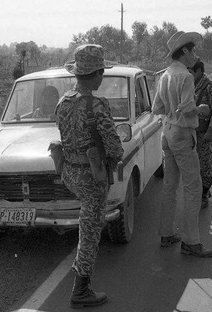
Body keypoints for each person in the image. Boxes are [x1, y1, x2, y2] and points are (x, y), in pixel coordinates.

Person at [55, 44, 124, 308]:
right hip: (91, 179)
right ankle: (81, 290)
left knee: (88, 225)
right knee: (90, 232)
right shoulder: (96, 105)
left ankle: (82, 285)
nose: (102, 78)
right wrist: (113, 158)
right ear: (96, 73)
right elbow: (115, 147)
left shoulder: (63, 102)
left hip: (70, 174)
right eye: (102, 73)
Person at [152, 31, 212, 258]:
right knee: (192, 187)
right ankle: (191, 241)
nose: (195, 55)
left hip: (167, 131)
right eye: (193, 50)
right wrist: (201, 109)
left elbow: (156, 108)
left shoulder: (165, 75)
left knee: (170, 186)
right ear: (185, 51)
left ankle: (167, 233)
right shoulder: (186, 77)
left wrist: (172, 109)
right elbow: (187, 108)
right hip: (182, 132)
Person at [189, 60, 212, 209]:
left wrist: (210, 130)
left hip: (205, 132)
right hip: (192, 132)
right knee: (194, 164)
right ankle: (198, 190)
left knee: (205, 165)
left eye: (191, 72)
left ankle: (204, 192)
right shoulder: (192, 86)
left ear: (198, 71)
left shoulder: (211, 87)